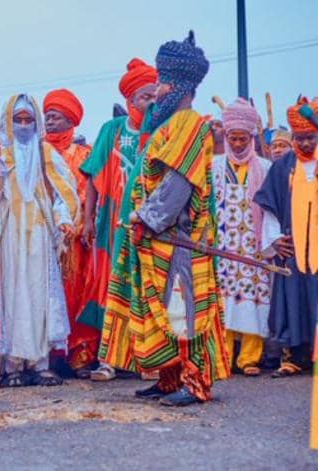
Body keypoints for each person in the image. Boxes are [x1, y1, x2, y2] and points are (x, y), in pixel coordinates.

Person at [103, 32, 230, 406]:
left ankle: (196, 383)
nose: (156, 90)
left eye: (160, 81)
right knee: (163, 307)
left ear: (175, 84)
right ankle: (169, 378)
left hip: (180, 237)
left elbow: (177, 185)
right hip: (160, 236)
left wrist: (146, 219)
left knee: (185, 308)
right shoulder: (167, 124)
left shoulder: (190, 124)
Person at [0, 94, 80, 387]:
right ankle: (12, 366)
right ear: (9, 123)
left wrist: (64, 220)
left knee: (39, 294)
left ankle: (40, 364)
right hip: (9, 236)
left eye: (29, 120)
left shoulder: (47, 153)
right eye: (19, 120)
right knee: (11, 294)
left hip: (40, 234)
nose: (24, 125)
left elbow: (63, 191)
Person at [79, 58, 158, 381]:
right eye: (145, 97)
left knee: (147, 287)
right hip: (113, 226)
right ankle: (108, 359)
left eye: (156, 96)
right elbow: (92, 177)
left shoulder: (163, 132)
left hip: (152, 225)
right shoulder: (111, 130)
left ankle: (148, 359)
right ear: (130, 101)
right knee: (110, 288)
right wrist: (87, 220)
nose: (152, 103)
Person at [254, 97, 318, 378]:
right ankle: (295, 357)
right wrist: (275, 239)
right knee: (294, 300)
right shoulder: (282, 168)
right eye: (300, 138)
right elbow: (270, 208)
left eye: (311, 138)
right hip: (292, 246)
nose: (305, 144)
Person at [212, 98, 272, 377]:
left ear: (252, 137)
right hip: (220, 244)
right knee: (222, 301)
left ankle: (249, 358)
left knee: (253, 298)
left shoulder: (265, 167)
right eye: (232, 138)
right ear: (225, 136)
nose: (237, 144)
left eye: (242, 139)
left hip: (253, 246)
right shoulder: (212, 166)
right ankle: (222, 357)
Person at [43, 88, 100, 378]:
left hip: (77, 239)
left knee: (78, 295)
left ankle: (81, 354)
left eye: (54, 116)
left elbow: (89, 192)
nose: (49, 121)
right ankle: (51, 358)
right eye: (47, 117)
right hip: (45, 237)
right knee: (48, 297)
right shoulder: (37, 153)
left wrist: (79, 225)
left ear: (70, 119)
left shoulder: (84, 155)